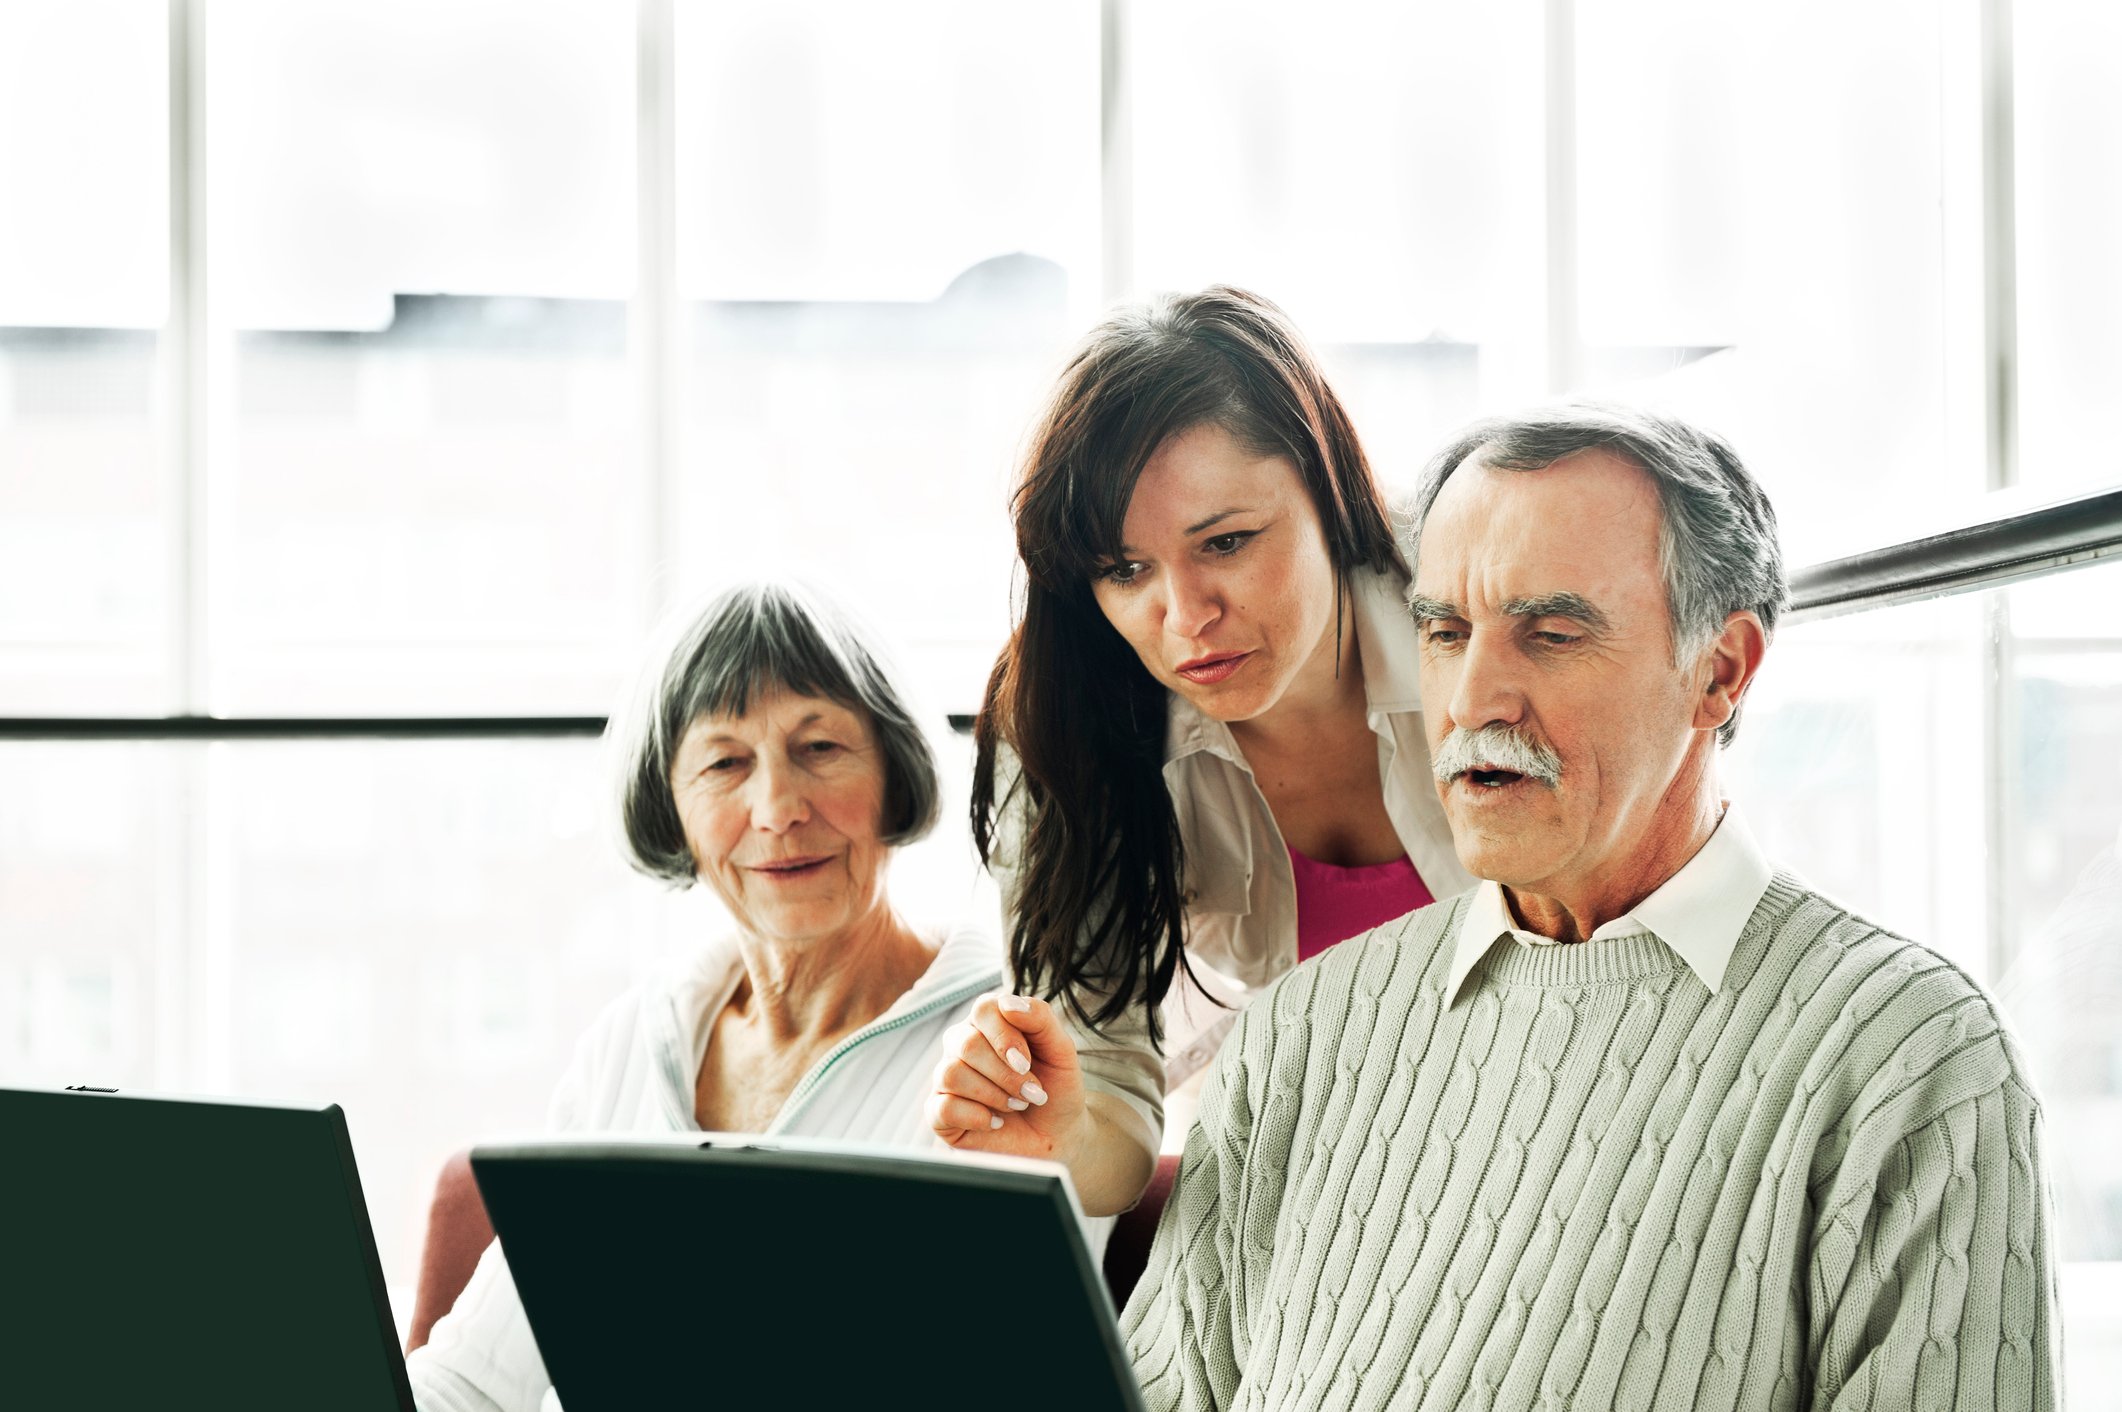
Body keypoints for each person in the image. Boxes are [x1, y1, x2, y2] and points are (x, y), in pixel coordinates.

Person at [1121, 405, 2059, 1410]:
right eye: (1443, 631)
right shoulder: (1301, 1028)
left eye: (1551, 633)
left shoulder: (1905, 1054)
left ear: (1719, 670)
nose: (1474, 697)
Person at [408, 581, 1049, 1412]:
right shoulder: (631, 1043)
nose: (778, 808)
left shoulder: (1004, 1046)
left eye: (819, 748)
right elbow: (470, 1381)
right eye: (724, 762)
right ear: (670, 807)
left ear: (893, 773)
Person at [927, 287, 1473, 1216]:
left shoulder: (1470, 597)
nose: (1184, 618)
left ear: (1329, 486)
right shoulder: (1070, 729)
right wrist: (1053, 1129)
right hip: (1352, 1188)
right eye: (1125, 569)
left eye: (1225, 541)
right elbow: (1114, 1136)